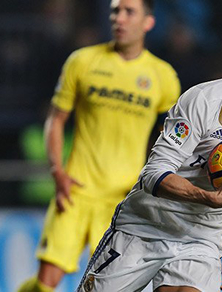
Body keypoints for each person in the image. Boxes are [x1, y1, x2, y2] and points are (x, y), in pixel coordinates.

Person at [77, 17, 222, 292]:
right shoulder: (204, 100)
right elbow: (154, 174)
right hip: (144, 226)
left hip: (201, 239)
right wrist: (210, 198)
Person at [18, 0, 181, 291]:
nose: (119, 18)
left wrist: (155, 184)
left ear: (148, 22)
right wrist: (57, 171)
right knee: (46, 282)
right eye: (115, 11)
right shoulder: (83, 61)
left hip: (123, 200)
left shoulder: (163, 76)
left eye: (129, 11)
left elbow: (169, 139)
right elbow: (55, 120)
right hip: (76, 191)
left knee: (107, 286)